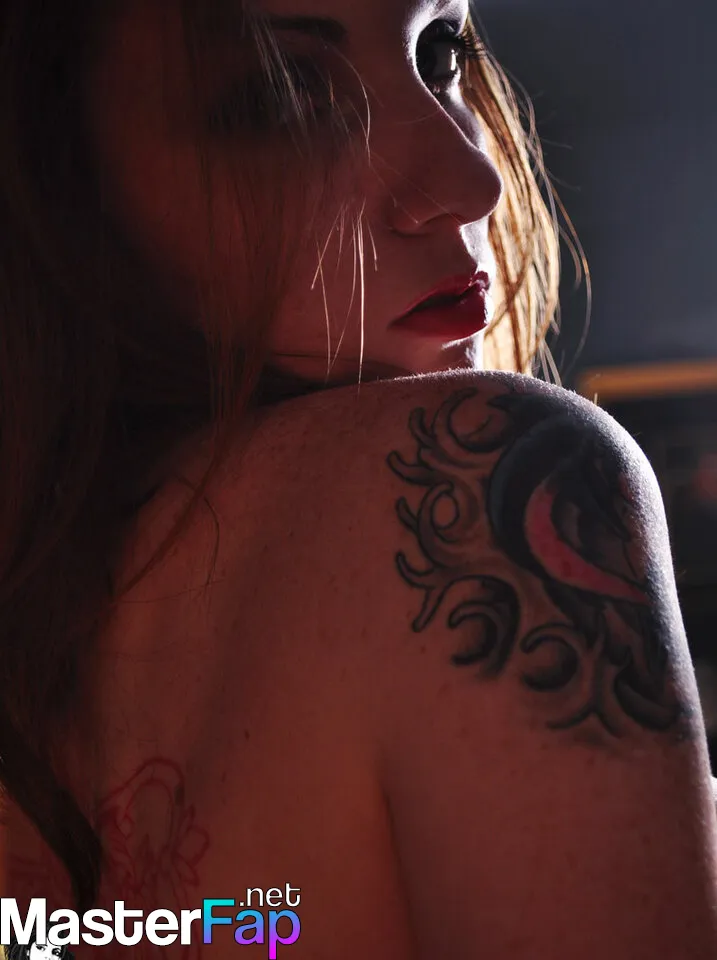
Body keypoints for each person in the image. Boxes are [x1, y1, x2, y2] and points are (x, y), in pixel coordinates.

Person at [1, 0, 716, 957]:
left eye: (440, 50)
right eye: (284, 97)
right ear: (56, 184)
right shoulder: (486, 477)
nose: (471, 181)